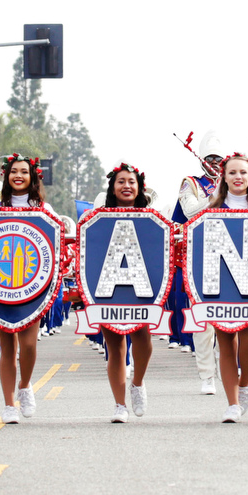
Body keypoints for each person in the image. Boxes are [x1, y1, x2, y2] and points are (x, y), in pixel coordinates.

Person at [200, 153, 248, 423]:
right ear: (224, 177)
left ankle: (245, 382)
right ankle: (232, 403)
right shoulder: (212, 210)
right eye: (232, 173)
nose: (238, 177)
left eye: (243, 172)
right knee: (225, 341)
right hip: (221, 282)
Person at [0, 154, 50, 425]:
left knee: (29, 345)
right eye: (14, 171)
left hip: (32, 286)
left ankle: (24, 384)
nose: (18, 176)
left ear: (33, 177)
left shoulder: (44, 210)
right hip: (1, 286)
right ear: (6, 176)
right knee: (7, 347)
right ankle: (9, 404)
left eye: (24, 171)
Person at [92, 162, 156, 423]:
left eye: (131, 181)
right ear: (112, 186)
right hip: (108, 286)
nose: (126, 186)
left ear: (139, 187)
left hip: (141, 286)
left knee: (144, 342)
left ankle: (137, 383)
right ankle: (119, 405)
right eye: (121, 181)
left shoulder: (152, 219)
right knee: (115, 346)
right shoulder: (98, 220)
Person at [172, 131, 224, 394]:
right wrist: (215, 195)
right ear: (202, 160)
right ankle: (207, 374)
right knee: (203, 322)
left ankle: (232, 364)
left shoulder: (236, 181)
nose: (215, 163)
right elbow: (190, 210)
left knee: (233, 318)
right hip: (201, 258)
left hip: (234, 259)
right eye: (211, 158)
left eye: (219, 159)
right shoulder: (190, 183)